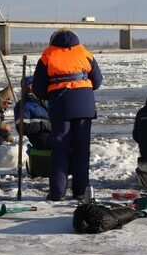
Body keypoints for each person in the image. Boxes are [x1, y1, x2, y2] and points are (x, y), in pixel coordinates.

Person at [32, 28, 103, 201]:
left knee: (60, 149)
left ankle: (57, 192)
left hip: (61, 105)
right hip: (85, 105)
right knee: (81, 149)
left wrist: (49, 94)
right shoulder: (85, 53)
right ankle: (80, 191)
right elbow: (98, 80)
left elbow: (38, 88)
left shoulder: (47, 56)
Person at [14, 75, 52, 150]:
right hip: (42, 140)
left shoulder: (45, 102)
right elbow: (22, 128)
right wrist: (43, 125)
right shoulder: (23, 105)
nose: (31, 88)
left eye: (33, 85)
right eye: (28, 86)